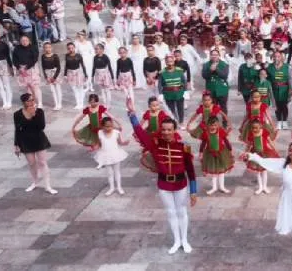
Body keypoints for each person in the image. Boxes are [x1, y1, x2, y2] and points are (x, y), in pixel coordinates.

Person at [126, 98, 198, 254]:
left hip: (180, 184)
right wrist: (132, 114)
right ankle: (176, 240)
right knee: (171, 212)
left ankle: (185, 240)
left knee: (182, 211)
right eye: (163, 129)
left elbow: (191, 170)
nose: (166, 132)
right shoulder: (155, 145)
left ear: (174, 130)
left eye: (169, 129)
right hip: (164, 185)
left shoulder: (183, 147)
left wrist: (193, 191)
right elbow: (140, 132)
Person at [14, 93, 57, 194]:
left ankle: (48, 185)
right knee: (32, 163)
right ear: (24, 102)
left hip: (39, 139)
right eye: (29, 100)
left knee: (42, 162)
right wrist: (16, 145)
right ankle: (35, 182)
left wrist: (33, 115)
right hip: (25, 140)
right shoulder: (17, 114)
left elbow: (41, 126)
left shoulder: (39, 112)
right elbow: (17, 130)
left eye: (33, 100)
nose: (32, 102)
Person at [94, 117, 130, 196]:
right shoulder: (100, 132)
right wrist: (96, 147)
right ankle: (111, 187)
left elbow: (120, 142)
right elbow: (100, 143)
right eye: (107, 126)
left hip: (115, 154)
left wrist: (125, 143)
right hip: (105, 154)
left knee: (117, 171)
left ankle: (119, 187)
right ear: (102, 126)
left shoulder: (116, 132)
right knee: (109, 173)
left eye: (111, 126)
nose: (109, 128)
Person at [198, 116, 235, 195]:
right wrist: (200, 153)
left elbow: (226, 141)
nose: (213, 127)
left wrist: (230, 150)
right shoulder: (206, 133)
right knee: (214, 171)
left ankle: (222, 186)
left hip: (221, 153)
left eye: (215, 125)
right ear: (208, 125)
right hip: (210, 155)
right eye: (211, 125)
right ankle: (214, 187)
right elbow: (203, 144)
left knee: (221, 171)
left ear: (218, 124)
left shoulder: (221, 131)